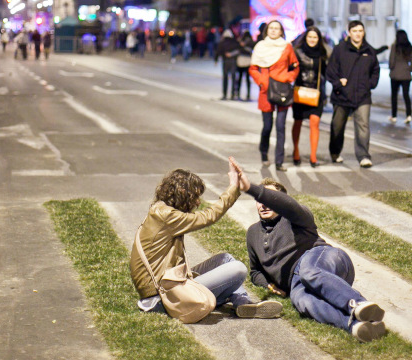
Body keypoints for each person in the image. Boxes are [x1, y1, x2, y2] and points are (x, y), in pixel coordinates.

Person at [229, 157, 387, 342]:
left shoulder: (296, 217)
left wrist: (253, 189)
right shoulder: (253, 233)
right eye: (259, 200)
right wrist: (269, 285)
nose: (263, 204)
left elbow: (289, 206)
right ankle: (355, 325)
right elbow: (255, 271)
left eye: (269, 199)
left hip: (321, 258)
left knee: (309, 271)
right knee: (302, 301)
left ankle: (358, 304)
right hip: (296, 283)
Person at [129, 160, 283, 320]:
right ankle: (239, 300)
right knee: (238, 269)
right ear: (182, 192)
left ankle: (242, 302)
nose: (197, 202)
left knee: (225, 259)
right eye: (194, 196)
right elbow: (208, 216)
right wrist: (234, 187)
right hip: (162, 296)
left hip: (167, 284)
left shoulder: (161, 210)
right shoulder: (167, 216)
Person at [326, 20, 379, 168]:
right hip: (341, 95)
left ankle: (363, 156)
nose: (358, 34)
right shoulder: (340, 49)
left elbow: (375, 70)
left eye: (360, 31)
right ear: (349, 33)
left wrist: (370, 84)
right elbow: (330, 70)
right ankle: (335, 152)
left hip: (363, 96)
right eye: (355, 31)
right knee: (337, 127)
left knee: (363, 126)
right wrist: (338, 83)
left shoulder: (369, 51)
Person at [249, 20, 299, 172]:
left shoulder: (287, 47)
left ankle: (279, 161)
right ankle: (264, 153)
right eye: (271, 28)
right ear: (266, 30)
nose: (273, 30)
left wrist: (287, 78)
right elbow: (253, 68)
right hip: (266, 91)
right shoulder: (260, 47)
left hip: (282, 90)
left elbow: (295, 67)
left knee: (281, 126)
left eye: (277, 28)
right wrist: (262, 81)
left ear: (281, 32)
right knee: (267, 126)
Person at [292, 26, 328, 167]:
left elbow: (326, 72)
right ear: (305, 38)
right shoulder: (297, 52)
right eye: (310, 37)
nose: (312, 40)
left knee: (315, 122)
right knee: (298, 122)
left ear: (319, 39)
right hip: (300, 92)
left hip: (316, 93)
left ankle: (313, 157)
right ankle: (296, 151)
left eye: (315, 37)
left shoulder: (322, 53)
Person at [388, 30, 412, 124]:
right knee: (406, 95)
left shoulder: (394, 47)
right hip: (406, 75)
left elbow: (391, 60)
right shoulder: (410, 47)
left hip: (395, 74)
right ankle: (409, 115)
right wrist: (410, 68)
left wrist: (391, 68)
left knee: (394, 96)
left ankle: (394, 116)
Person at [215, 29, 240, 101]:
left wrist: (216, 60)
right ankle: (232, 94)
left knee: (225, 78)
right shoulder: (234, 42)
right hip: (233, 61)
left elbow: (218, 52)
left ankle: (224, 94)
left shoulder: (222, 43)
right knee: (233, 78)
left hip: (225, 61)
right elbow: (239, 50)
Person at [236, 31, 255, 101]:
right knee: (247, 79)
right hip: (248, 61)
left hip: (240, 61)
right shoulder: (251, 42)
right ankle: (248, 94)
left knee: (240, 78)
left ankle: (238, 93)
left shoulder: (240, 42)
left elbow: (238, 51)